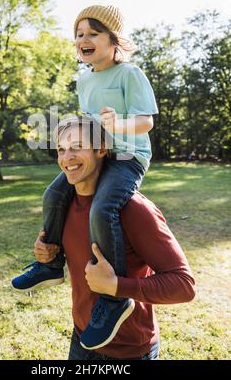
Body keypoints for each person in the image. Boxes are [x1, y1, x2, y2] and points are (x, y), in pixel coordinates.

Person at [11, 4, 159, 350]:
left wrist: (117, 125)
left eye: (93, 32)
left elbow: (146, 122)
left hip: (127, 157)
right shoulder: (85, 78)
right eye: (79, 34)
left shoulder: (129, 74)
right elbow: (87, 120)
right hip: (99, 155)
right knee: (53, 195)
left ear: (113, 39)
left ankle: (113, 296)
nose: (84, 39)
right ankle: (50, 263)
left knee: (102, 208)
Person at [33, 115, 196, 360]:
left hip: (129, 351)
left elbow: (184, 286)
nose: (67, 158)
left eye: (77, 147)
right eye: (61, 149)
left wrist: (118, 287)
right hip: (82, 339)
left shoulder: (133, 209)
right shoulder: (63, 206)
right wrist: (48, 252)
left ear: (101, 149)